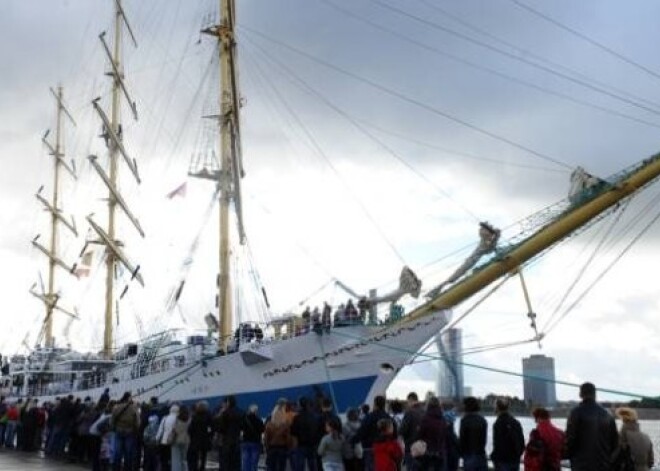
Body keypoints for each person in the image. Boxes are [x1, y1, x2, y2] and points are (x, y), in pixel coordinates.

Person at [565, 382, 618, 471]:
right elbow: (615, 442)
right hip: (603, 465)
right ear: (595, 394)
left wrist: (566, 455)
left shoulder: (576, 412)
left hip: (581, 465)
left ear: (580, 394)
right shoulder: (608, 415)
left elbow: (570, 439)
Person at [352, 395, 395, 471]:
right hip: (386, 448)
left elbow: (362, 431)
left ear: (375, 404)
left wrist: (353, 440)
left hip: (370, 448)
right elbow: (394, 433)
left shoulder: (369, 417)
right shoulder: (389, 417)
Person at [614, 407, 654, 471]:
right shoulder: (646, 437)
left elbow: (613, 458)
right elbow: (651, 462)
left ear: (623, 420)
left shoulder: (621, 436)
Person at [490, 398, 524, 471]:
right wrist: (517, 455)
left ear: (497, 408)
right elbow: (522, 442)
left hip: (502, 461)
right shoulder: (516, 422)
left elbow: (497, 444)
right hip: (515, 460)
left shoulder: (498, 423)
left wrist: (494, 457)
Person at [415, 396, 446, 471]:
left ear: (428, 405)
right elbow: (444, 435)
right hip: (439, 452)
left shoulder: (425, 419)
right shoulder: (442, 419)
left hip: (426, 453)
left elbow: (419, 436)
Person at [111, 392, 140, 471]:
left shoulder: (116, 407)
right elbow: (138, 422)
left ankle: (115, 469)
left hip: (118, 430)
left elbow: (112, 420)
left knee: (117, 453)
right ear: (129, 398)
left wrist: (114, 428)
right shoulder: (134, 408)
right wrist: (135, 429)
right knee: (128, 453)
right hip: (129, 431)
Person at [291, 396, 319, 471]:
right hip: (312, 445)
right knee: (313, 465)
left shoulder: (297, 418)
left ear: (300, 405)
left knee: (300, 466)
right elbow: (317, 430)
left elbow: (293, 432)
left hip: (301, 445)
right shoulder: (314, 416)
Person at [459, 396, 487, 471]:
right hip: (481, 454)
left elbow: (462, 439)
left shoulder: (464, 420)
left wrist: (461, 453)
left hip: (468, 454)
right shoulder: (482, 420)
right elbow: (484, 439)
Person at [400, 392, 425, 471]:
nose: (407, 404)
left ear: (411, 400)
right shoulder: (424, 412)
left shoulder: (409, 413)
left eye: (408, 402)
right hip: (423, 448)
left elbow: (402, 430)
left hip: (411, 448)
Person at [264, 402, 291, 471]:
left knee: (271, 468)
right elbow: (288, 438)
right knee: (281, 468)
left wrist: (267, 448)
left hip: (272, 449)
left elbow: (266, 439)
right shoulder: (285, 425)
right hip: (282, 449)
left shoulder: (269, 425)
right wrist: (288, 448)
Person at [188, 401, 213, 471]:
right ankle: (202, 468)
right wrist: (209, 435)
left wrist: (192, 436)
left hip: (195, 440)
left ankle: (195, 468)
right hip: (205, 439)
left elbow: (190, 429)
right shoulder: (208, 416)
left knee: (195, 456)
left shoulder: (195, 416)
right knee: (204, 456)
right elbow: (212, 427)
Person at [241, 404, 265, 471]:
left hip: (246, 441)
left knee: (245, 460)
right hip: (255, 442)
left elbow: (241, 428)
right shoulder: (259, 421)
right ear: (256, 411)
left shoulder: (244, 420)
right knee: (254, 462)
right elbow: (263, 430)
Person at [171, 406, 191, 471]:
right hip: (186, 440)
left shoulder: (177, 419)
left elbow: (174, 430)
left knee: (176, 459)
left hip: (177, 440)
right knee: (184, 459)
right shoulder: (190, 419)